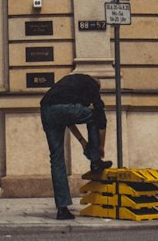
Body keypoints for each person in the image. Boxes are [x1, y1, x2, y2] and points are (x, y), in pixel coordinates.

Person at [40, 70, 108, 220]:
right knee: (94, 116)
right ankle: (95, 161)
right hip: (62, 109)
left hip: (46, 110)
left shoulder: (71, 84)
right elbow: (101, 120)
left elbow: (67, 119)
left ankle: (62, 209)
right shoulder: (93, 85)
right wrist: (100, 148)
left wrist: (83, 142)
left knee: (57, 159)